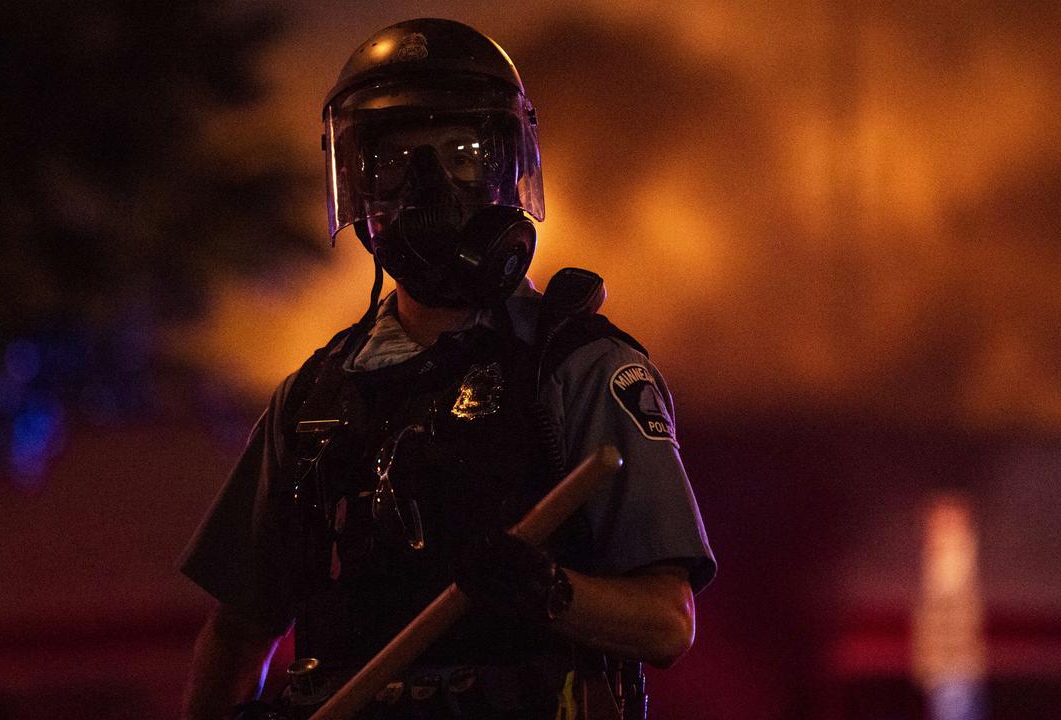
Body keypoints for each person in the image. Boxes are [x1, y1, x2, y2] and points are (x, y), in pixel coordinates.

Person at [180, 18, 715, 720]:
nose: (432, 188)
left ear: (506, 167)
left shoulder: (578, 370)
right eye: (395, 162)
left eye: (463, 154)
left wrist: (546, 589)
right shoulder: (313, 400)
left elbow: (666, 622)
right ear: (356, 182)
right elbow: (235, 633)